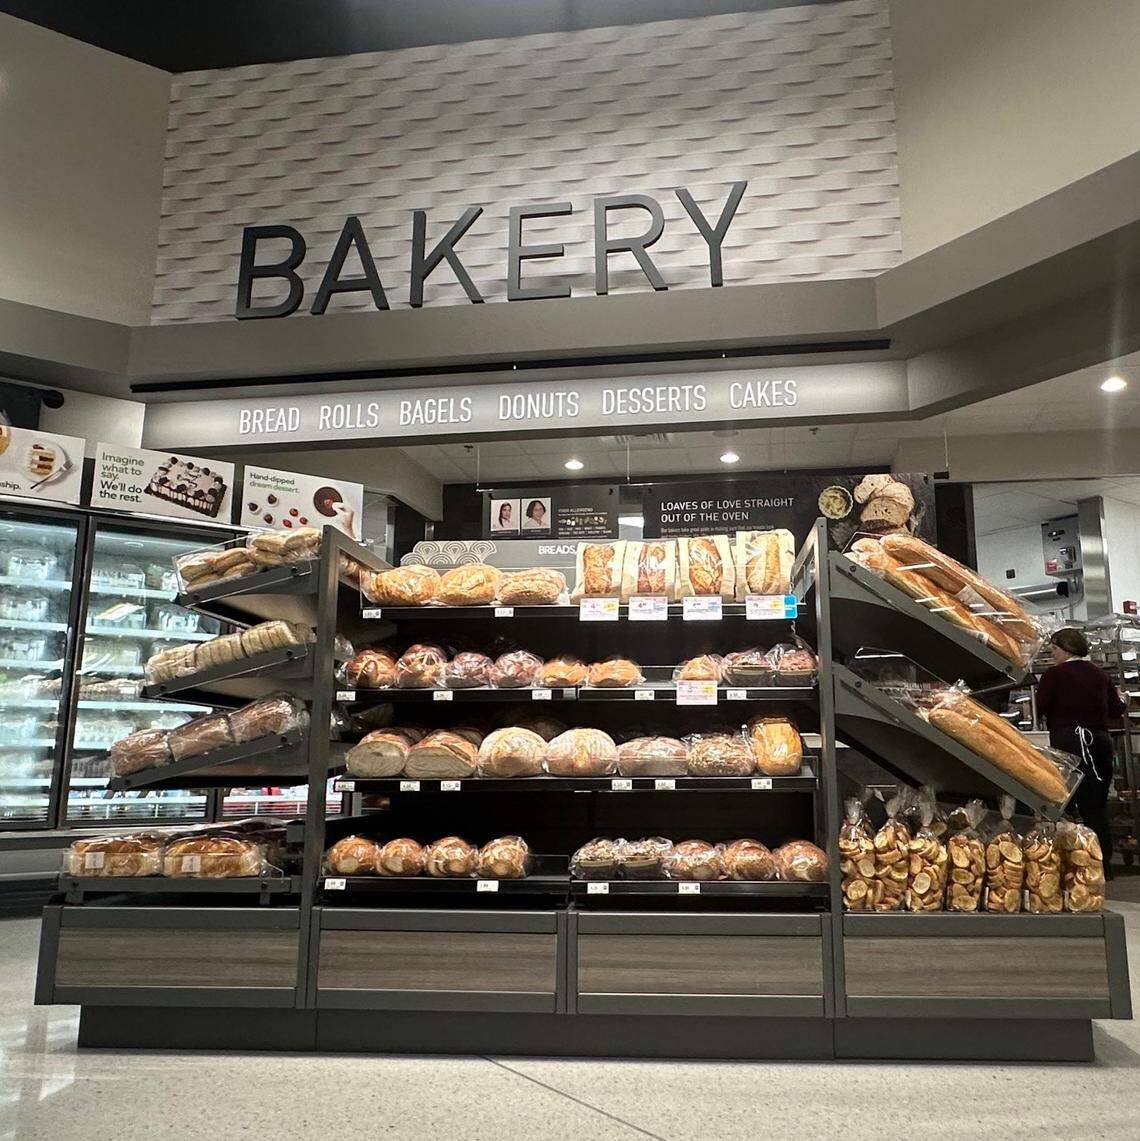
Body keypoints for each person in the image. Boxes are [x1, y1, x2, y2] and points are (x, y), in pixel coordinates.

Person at [1036, 627, 1125, 872]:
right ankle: (1102, 865)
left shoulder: (1055, 675)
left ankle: (1072, 864)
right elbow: (1116, 710)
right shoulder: (1100, 674)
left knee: (1065, 804)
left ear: (1067, 649)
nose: (1052, 654)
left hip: (1069, 743)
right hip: (1099, 742)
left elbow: (1042, 706)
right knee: (1096, 806)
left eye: (1054, 649)